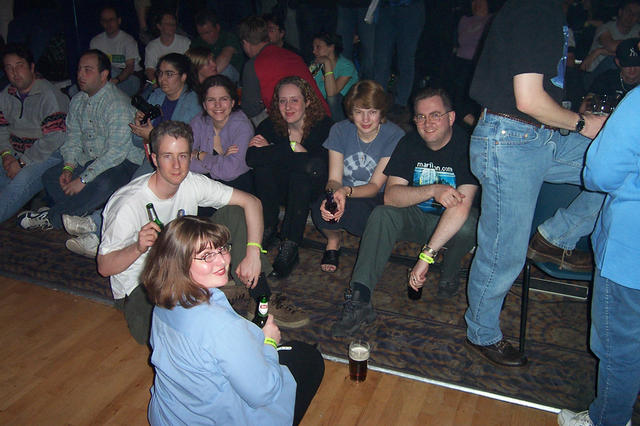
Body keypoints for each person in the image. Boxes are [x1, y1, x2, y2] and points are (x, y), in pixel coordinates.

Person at [464, 0, 608, 368]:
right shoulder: (533, 9)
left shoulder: (546, 13)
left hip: (538, 137)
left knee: (621, 162)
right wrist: (580, 123)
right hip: (510, 140)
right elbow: (527, 99)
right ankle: (481, 332)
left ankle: (556, 237)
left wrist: (582, 121)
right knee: (503, 250)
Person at [97, 121, 309, 345]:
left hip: (187, 269)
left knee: (236, 211)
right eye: (168, 156)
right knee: (174, 338)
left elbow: (252, 202)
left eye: (183, 156)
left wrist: (253, 253)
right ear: (153, 156)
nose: (177, 165)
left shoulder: (191, 183)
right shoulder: (128, 203)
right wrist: (137, 247)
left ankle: (260, 298)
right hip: (143, 285)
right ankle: (214, 293)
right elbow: (104, 267)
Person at [141, 216, 324, 425]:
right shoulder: (222, 327)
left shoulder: (164, 300)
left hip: (169, 418)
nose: (222, 261)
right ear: (178, 263)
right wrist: (269, 343)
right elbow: (263, 393)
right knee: (307, 358)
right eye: (206, 256)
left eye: (222, 249)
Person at [331, 88, 479, 337]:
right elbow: (391, 195)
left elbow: (462, 208)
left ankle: (449, 272)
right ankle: (360, 297)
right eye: (420, 117)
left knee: (469, 225)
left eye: (435, 115)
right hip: (418, 217)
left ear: (451, 118)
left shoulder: (469, 147)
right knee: (382, 214)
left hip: (455, 222)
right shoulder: (409, 143)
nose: (427, 123)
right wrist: (433, 190)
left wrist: (426, 258)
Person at [62, 53, 201, 258]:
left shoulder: (193, 103)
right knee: (130, 189)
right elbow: (137, 141)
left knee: (136, 188)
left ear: (183, 77)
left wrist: (152, 134)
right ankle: (98, 228)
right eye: (160, 73)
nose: (162, 79)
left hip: (178, 161)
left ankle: (97, 229)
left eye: (169, 74)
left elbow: (182, 143)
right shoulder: (155, 97)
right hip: (154, 159)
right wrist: (141, 128)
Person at [557, 87, 640, 426]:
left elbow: (600, 175)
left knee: (619, 351)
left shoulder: (637, 102)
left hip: (630, 253)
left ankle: (607, 420)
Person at [17, 49, 143, 231]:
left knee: (102, 184)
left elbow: (115, 153)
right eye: (79, 70)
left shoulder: (117, 105)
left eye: (88, 70)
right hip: (91, 162)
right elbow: (73, 138)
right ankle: (86, 210)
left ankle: (53, 217)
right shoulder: (77, 101)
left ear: (104, 75)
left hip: (122, 164)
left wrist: (83, 180)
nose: (80, 75)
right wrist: (69, 168)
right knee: (51, 177)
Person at [311, 80, 404, 273]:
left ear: (381, 112)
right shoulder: (339, 130)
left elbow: (375, 185)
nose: (366, 119)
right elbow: (334, 179)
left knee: (362, 214)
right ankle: (333, 240)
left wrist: (346, 192)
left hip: (375, 195)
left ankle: (371, 250)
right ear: (351, 113)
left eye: (372, 111)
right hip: (343, 189)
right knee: (321, 210)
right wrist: (333, 197)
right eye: (359, 111)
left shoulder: (394, 135)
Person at [246, 76, 333, 279]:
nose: (288, 107)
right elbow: (252, 158)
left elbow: (316, 169)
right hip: (279, 189)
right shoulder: (271, 125)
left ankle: (291, 244)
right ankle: (267, 227)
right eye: (282, 101)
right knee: (263, 170)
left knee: (299, 176)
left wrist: (273, 152)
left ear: (307, 101)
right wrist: (292, 148)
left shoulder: (324, 126)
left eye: (294, 100)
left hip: (310, 190)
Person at [0, 44, 68, 224]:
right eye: (9, 67)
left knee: (18, 184)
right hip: (15, 152)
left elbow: (55, 139)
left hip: (47, 154)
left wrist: (22, 163)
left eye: (19, 65)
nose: (15, 72)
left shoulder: (49, 94)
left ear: (31, 67)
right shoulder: (6, 94)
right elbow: (1, 128)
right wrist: (6, 156)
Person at [237, 16, 329, 126]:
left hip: (297, 125)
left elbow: (250, 109)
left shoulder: (253, 65)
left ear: (245, 43)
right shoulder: (293, 55)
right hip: (324, 119)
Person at [190, 75, 253, 192]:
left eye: (223, 99)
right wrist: (221, 160)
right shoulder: (199, 121)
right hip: (205, 186)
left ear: (233, 102)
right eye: (211, 100)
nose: (217, 105)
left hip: (237, 187)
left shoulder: (242, 126)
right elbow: (183, 161)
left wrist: (201, 155)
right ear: (204, 105)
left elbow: (230, 171)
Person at [373, 0, 426, 109]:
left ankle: (401, 103)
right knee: (381, 59)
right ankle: (378, 102)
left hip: (410, 7)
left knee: (406, 58)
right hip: (386, 7)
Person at [89, 6, 142, 97]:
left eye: (111, 20)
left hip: (127, 78)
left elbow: (130, 67)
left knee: (109, 72)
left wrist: (116, 80)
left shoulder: (128, 40)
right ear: (101, 23)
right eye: (105, 21)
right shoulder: (95, 42)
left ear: (119, 21)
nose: (108, 23)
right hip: (105, 79)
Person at [579, 37, 640, 113]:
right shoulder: (607, 79)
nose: (632, 69)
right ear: (618, 62)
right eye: (627, 64)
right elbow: (585, 107)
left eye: (637, 64)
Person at [582, 0, 640, 77]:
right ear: (620, 12)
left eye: (635, 14)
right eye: (628, 11)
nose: (631, 16)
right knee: (614, 60)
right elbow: (612, 47)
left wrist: (600, 51)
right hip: (594, 75)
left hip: (621, 78)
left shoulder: (637, 30)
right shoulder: (605, 27)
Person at [311, 32, 359, 121]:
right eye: (313, 48)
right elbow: (306, 84)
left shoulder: (347, 66)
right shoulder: (316, 64)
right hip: (321, 106)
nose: (314, 51)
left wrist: (327, 63)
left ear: (331, 47)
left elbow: (332, 94)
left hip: (343, 110)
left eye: (318, 47)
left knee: (333, 99)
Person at [190, 10, 243, 82]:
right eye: (201, 34)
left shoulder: (228, 37)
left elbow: (224, 58)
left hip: (232, 75)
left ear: (217, 27)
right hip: (206, 76)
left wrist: (206, 80)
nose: (204, 37)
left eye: (208, 32)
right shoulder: (196, 42)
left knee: (225, 70)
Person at [144, 12, 191, 88]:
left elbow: (189, 67)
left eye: (173, 24)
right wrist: (156, 83)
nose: (171, 26)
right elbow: (149, 70)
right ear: (159, 26)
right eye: (168, 24)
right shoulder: (152, 46)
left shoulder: (185, 42)